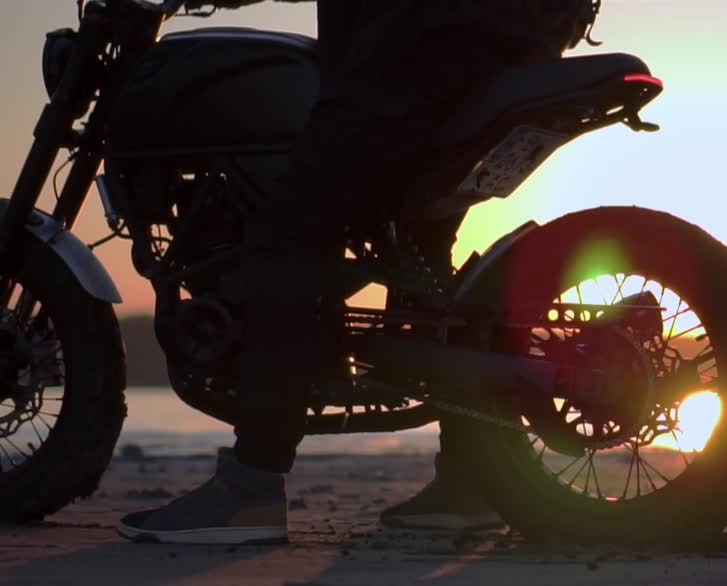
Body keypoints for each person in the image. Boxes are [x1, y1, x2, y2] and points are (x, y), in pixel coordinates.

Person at [116, 0, 600, 544]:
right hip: (506, 33)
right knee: (417, 248)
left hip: (424, 43)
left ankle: (249, 486)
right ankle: (471, 483)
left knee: (288, 234)